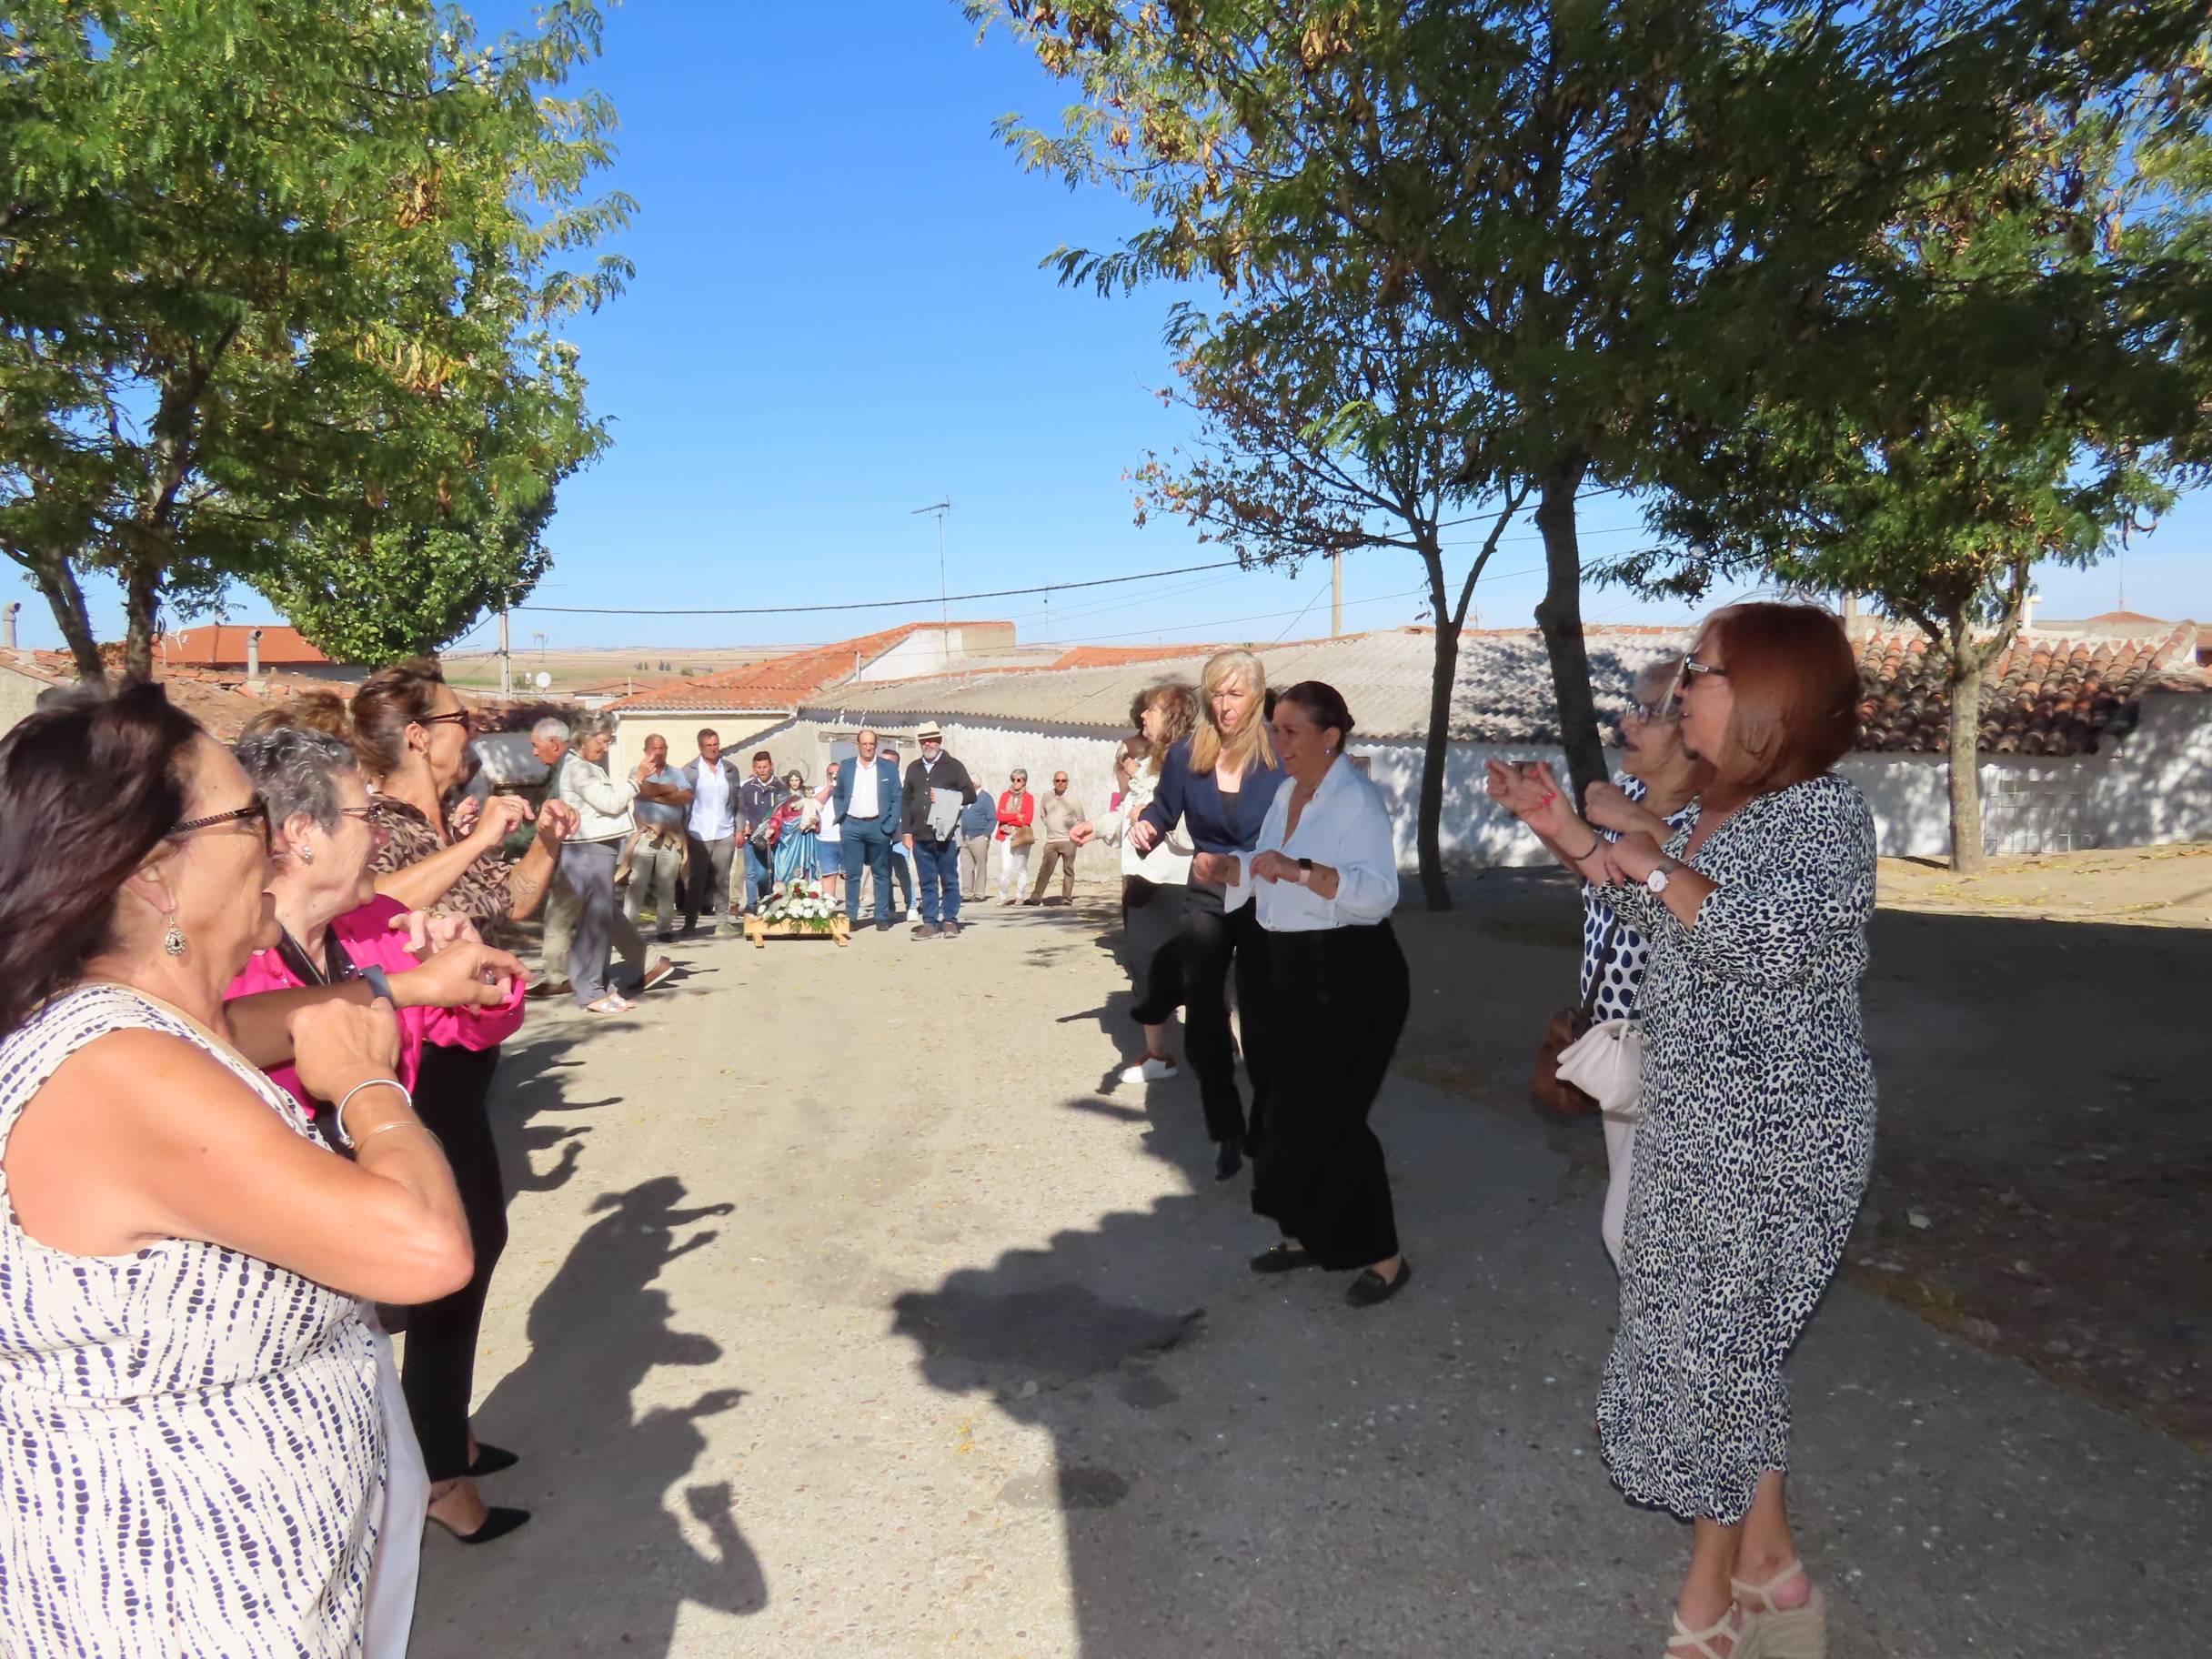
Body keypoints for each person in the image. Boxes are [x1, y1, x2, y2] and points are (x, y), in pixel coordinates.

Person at [0, 681, 498, 1653]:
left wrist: (403, 987)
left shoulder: (135, 1026)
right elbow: (424, 1250)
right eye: (248, 819)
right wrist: (368, 1088)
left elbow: (237, 1030)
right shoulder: (119, 1070)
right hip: (181, 1594)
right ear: (155, 876)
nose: (276, 844)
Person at [1493, 603, 1875, 1659]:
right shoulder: (1721, 810)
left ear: (1765, 694)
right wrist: (1567, 834)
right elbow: (1660, 928)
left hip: (1779, 1132)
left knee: (1717, 1356)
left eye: (1699, 673)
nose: (1676, 693)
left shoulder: (1820, 815)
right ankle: (1770, 1571)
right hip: (1694, 1112)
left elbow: (1762, 945)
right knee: (1719, 1350)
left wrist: (1649, 858)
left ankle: (1714, 1599)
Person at [227, 722, 533, 1608]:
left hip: (349, 1262)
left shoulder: (368, 929)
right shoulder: (226, 955)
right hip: (272, 1270)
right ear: (301, 834)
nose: (381, 835)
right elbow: (221, 1044)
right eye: (364, 814)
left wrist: (478, 980)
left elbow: (461, 1028)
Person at [353, 659, 576, 1542]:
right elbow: (372, 907)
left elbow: (508, 903)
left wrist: (544, 841)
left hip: (467, 1058)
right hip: (423, 1065)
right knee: (457, 1253)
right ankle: (437, 1469)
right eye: (458, 720)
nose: (471, 732)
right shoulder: (378, 823)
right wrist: (480, 839)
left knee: (479, 1241)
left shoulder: (445, 820)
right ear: (417, 735)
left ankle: (445, 1429)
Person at [1488, 656, 1711, 1267]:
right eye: (1630, 707)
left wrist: (1637, 824)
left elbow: (1714, 896)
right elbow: (1597, 872)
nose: (1625, 722)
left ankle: (1670, 1323)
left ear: (1692, 726)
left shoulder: (1711, 814)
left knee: (1634, 1228)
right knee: (1638, 1213)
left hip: (1674, 1045)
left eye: (1647, 712)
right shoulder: (1628, 794)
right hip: (1613, 1034)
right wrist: (1543, 819)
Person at [1228, 682, 1411, 1306]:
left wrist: (1302, 872)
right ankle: (1305, 1230)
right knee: (1280, 1106)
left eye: (1290, 731)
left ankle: (1385, 1257)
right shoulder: (1287, 793)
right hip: (1282, 964)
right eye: (1275, 730)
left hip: (1349, 970)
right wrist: (1232, 869)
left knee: (1332, 1116)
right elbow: (1266, 869)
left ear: (1329, 736)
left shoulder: (1356, 800)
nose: (1278, 743)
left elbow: (1377, 895)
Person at [1133, 649, 1287, 1181]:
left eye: (1236, 694)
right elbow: (1163, 807)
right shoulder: (1186, 754)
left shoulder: (1281, 752)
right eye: (1216, 694)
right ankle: (1226, 1128)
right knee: (1202, 1013)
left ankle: (1267, 1125)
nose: (1225, 705)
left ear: (1257, 696)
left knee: (1263, 1014)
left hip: (1266, 894)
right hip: (1208, 892)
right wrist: (1148, 825)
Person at [1075, 682, 1198, 1083]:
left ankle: (1223, 1044)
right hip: (1142, 883)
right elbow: (1129, 813)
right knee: (1144, 967)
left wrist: (1152, 818)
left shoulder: (1195, 766)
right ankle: (1157, 1055)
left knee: (1194, 970)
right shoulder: (1147, 767)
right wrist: (1096, 827)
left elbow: (1194, 831)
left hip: (1177, 884)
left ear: (1173, 717)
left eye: (1152, 709)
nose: (1143, 716)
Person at [557, 714, 646, 1013]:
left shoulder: (587, 766)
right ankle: (589, 990)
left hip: (598, 848)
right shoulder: (578, 769)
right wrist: (637, 780)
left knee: (601, 920)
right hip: (588, 849)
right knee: (594, 922)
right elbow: (610, 803)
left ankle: (599, 986)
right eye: (602, 741)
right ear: (584, 737)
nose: (606, 748)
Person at [902, 722, 979, 940]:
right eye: (924, 741)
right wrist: (906, 831)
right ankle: (930, 922)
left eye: (932, 740)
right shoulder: (913, 768)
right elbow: (905, 801)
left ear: (939, 741)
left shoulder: (954, 766)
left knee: (949, 879)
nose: (928, 744)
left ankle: (950, 920)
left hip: (946, 834)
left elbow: (970, 795)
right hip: (920, 834)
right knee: (927, 881)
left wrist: (946, 796)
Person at [625, 733, 693, 942]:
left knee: (667, 884)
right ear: (646, 751)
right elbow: (642, 789)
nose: (659, 752)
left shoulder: (677, 773)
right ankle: (627, 930)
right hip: (646, 834)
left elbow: (687, 796)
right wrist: (670, 790)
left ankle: (664, 929)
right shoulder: (637, 771)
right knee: (637, 882)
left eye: (662, 748)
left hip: (671, 836)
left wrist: (655, 795)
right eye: (654, 748)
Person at [834, 728, 902, 931]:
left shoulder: (888, 768)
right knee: (853, 874)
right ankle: (851, 916)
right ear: (857, 745)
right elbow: (839, 794)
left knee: (881, 874)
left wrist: (889, 825)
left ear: (876, 745)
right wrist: (842, 819)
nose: (868, 747)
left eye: (872, 744)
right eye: (864, 744)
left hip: (878, 826)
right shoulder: (847, 766)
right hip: (852, 825)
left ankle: (881, 916)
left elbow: (897, 797)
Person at [681, 728, 744, 934]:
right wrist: (682, 831)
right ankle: (690, 922)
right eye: (708, 746)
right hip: (698, 832)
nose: (713, 749)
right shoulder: (689, 771)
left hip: (725, 831)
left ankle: (723, 922)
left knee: (722, 878)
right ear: (700, 747)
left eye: (716, 744)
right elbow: (682, 804)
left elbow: (738, 801)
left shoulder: (730, 770)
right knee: (697, 879)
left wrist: (739, 828)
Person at [1025, 769, 1085, 904]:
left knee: (1068, 870)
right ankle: (1035, 898)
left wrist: (1073, 833)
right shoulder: (1047, 796)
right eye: (1057, 780)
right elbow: (1043, 815)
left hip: (1068, 841)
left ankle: (1066, 898)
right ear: (1053, 782)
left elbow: (1081, 819)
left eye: (1063, 781)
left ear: (1067, 783)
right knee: (1044, 870)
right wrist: (1051, 826)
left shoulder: (1073, 799)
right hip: (1051, 841)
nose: (1060, 783)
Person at [737, 749, 780, 916]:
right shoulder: (747, 787)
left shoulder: (779, 787)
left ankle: (767, 899)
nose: (762, 770)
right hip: (752, 836)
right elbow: (741, 810)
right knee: (750, 873)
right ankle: (751, 904)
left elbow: (783, 810)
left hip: (772, 836)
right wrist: (744, 825)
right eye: (759, 767)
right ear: (754, 768)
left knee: (765, 874)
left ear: (771, 766)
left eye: (765, 767)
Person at [768, 768, 823, 889]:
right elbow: (777, 816)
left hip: (802, 835)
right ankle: (782, 892)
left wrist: (813, 824)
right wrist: (772, 828)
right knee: (783, 867)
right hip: (786, 837)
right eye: (792, 780)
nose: (794, 782)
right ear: (788, 781)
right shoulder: (782, 796)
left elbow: (815, 814)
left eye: (797, 780)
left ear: (801, 781)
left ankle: (802, 891)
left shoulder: (807, 797)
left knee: (802, 865)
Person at [880, 745, 917, 919]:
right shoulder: (875, 780)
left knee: (903, 871)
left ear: (896, 764)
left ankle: (912, 906)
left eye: (887, 762)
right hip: (881, 831)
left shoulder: (905, 783)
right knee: (883, 872)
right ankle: (889, 908)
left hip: (900, 832)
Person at [958, 766, 1000, 900]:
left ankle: (980, 894)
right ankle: (967, 893)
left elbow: (992, 818)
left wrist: (986, 835)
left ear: (974, 784)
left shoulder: (985, 798)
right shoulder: (966, 797)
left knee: (981, 866)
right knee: (966, 867)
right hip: (965, 837)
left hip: (979, 837)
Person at [995, 769, 1036, 901]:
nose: (1015, 782)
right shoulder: (1005, 796)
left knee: (1021, 867)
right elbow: (999, 816)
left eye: (1018, 780)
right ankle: (1003, 896)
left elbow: (1027, 819)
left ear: (1024, 782)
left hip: (1021, 835)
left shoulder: (1029, 798)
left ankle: (1020, 896)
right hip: (1005, 834)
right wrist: (1016, 816)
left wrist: (1009, 818)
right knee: (1006, 868)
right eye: (1013, 779)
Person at [816, 759, 845, 905]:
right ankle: (828, 905)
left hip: (845, 838)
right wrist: (829, 787)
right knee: (828, 875)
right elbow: (814, 804)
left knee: (849, 874)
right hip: (825, 841)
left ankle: (853, 907)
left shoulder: (849, 789)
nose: (834, 776)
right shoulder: (819, 790)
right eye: (831, 773)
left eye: (837, 773)